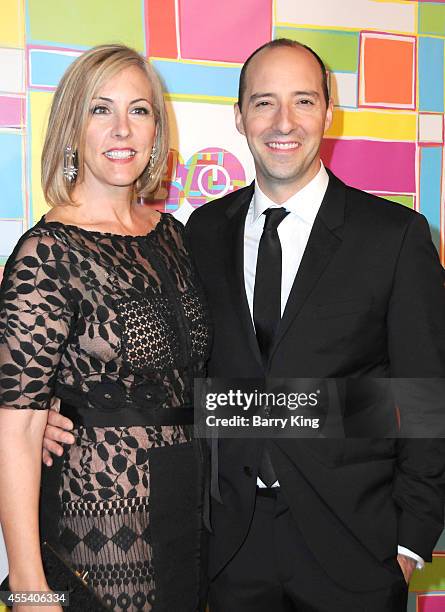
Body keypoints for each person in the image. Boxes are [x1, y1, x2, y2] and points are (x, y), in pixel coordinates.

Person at [43, 39, 445, 611]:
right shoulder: (198, 234)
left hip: (357, 546)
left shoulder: (395, 237)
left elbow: (424, 396)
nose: (284, 122)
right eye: (264, 103)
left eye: (303, 101)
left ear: (329, 113)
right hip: (226, 546)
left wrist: (410, 541)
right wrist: (71, 410)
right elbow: (175, 369)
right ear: (240, 117)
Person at [0, 44, 210, 612]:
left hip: (186, 512)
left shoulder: (175, 235)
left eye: (139, 111)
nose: (122, 128)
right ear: (72, 125)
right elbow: (17, 430)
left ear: (156, 130)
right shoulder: (48, 252)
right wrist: (27, 585)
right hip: (100, 521)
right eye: (101, 109)